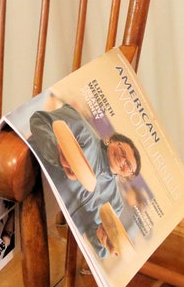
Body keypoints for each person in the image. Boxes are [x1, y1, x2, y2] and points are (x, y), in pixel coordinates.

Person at [28, 103, 141, 258]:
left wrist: (102, 240)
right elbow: (39, 120)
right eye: (122, 150)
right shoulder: (84, 131)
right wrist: (57, 153)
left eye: (128, 164)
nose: (122, 159)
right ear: (112, 140)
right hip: (30, 186)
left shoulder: (115, 203)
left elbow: (94, 237)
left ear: (128, 175)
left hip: (53, 238)